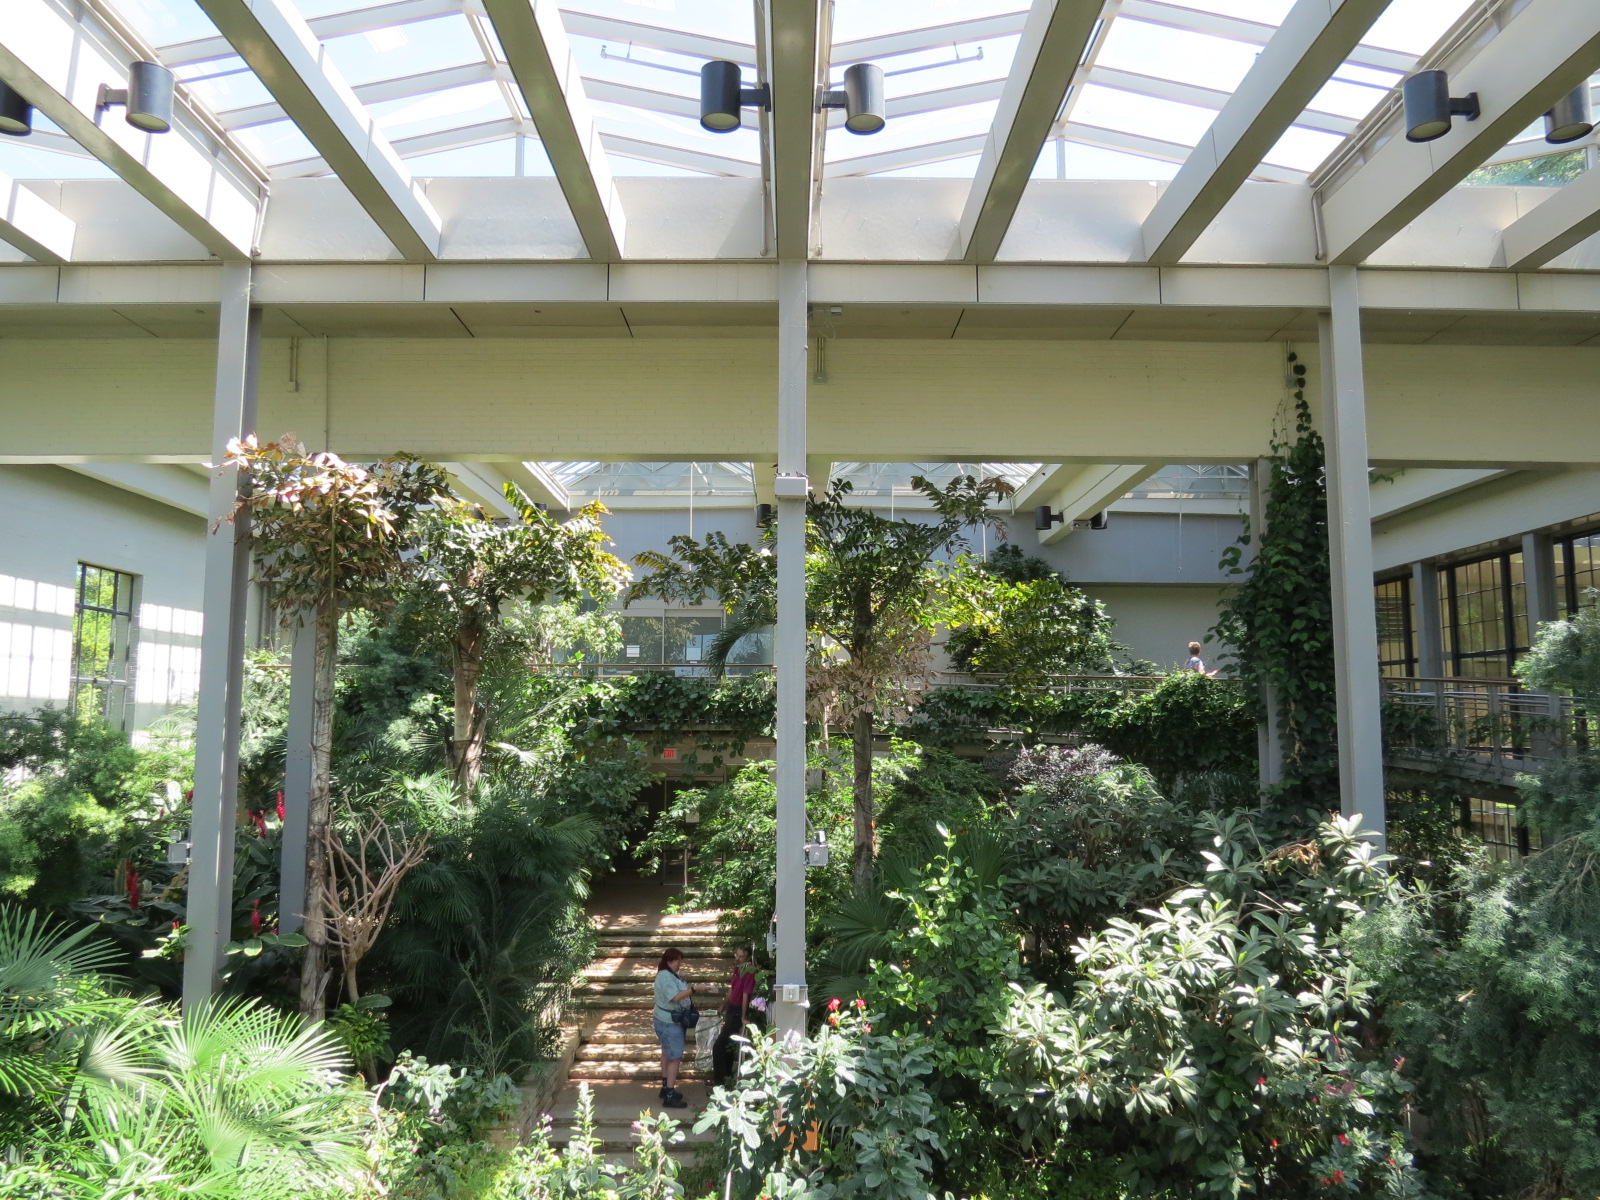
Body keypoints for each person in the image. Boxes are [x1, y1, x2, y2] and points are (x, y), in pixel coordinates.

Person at [653, 947, 693, 1109]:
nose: (680, 964)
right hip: (670, 1023)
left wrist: (680, 980)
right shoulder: (666, 977)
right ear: (670, 961)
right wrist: (694, 990)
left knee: (665, 1053)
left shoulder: (666, 974)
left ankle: (665, 1087)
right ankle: (669, 1095)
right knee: (674, 1058)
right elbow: (675, 997)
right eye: (678, 961)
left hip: (661, 1019)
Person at [711, 945, 756, 1088]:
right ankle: (726, 1079)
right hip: (731, 1009)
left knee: (719, 1046)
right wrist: (723, 1005)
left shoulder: (748, 971)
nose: (737, 958)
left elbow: (745, 995)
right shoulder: (738, 968)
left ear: (748, 957)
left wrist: (743, 1016)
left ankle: (719, 1082)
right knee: (728, 1046)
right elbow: (732, 989)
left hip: (737, 1012)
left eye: (741, 956)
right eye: (736, 955)